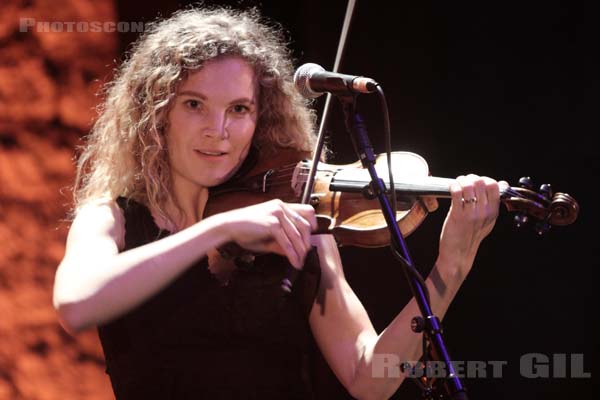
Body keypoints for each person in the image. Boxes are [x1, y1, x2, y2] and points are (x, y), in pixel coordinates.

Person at [53, 6, 503, 400]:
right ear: (156, 112)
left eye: (239, 109)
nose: (218, 129)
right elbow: (76, 304)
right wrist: (219, 229)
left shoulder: (298, 222)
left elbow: (370, 378)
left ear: (260, 117)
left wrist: (450, 269)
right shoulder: (111, 219)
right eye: (194, 104)